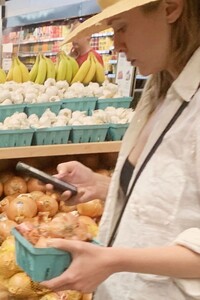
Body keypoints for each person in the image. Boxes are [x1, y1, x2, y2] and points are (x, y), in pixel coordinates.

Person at [42, 1, 200, 299]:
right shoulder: (161, 90)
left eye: (122, 27)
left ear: (170, 9)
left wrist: (115, 260)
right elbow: (176, 197)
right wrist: (103, 186)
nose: (116, 45)